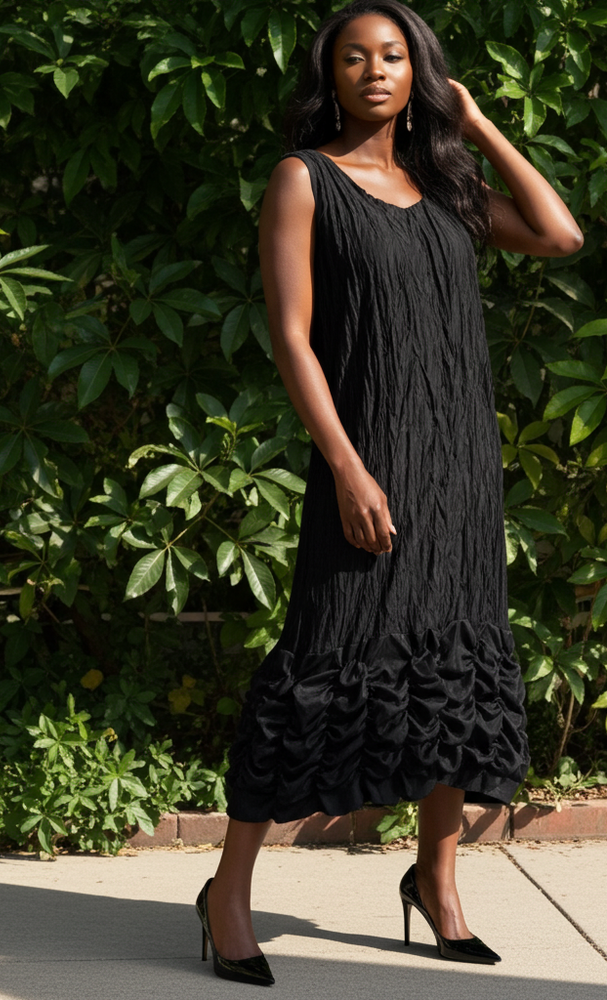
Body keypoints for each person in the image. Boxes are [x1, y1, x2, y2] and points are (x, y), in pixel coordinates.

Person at [195, 0, 583, 985]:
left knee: (454, 667)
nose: (375, 70)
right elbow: (292, 337)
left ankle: (436, 881)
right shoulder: (304, 179)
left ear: (420, 73)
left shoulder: (446, 187)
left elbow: (559, 235)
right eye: (355, 57)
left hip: (461, 469)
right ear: (329, 76)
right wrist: (346, 465)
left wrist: (477, 125)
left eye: (395, 55)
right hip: (367, 462)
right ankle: (227, 893)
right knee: (318, 661)